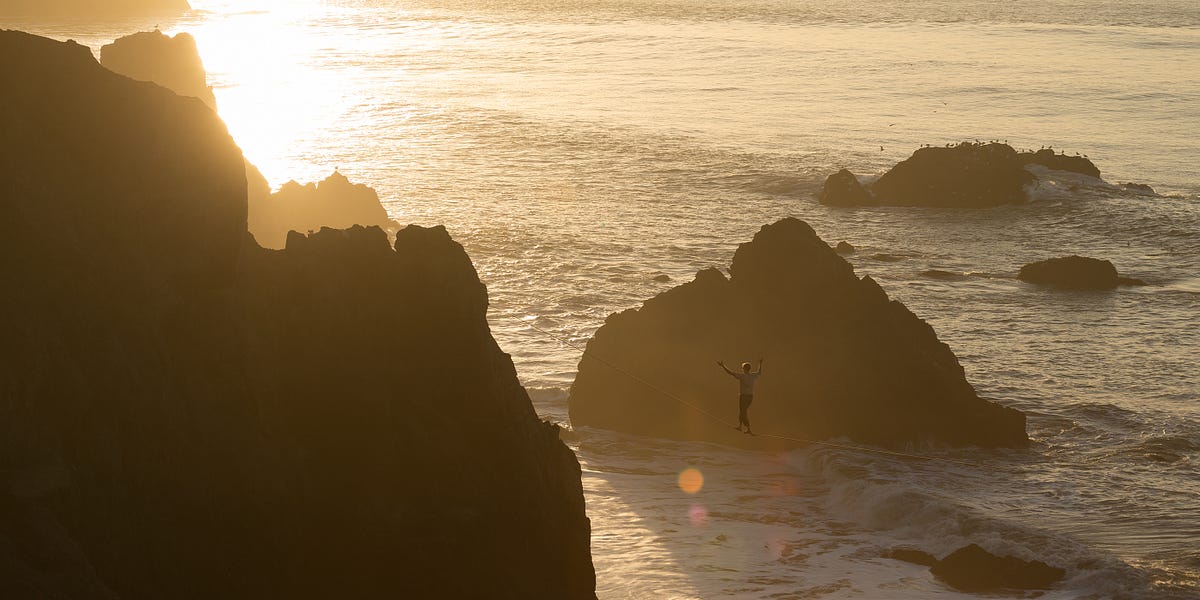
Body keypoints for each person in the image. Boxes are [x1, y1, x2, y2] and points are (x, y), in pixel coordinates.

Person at [717, 358, 762, 435]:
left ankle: (748, 428)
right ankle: (741, 426)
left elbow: (730, 373)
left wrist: (723, 366)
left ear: (744, 369)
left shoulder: (742, 376)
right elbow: (759, 372)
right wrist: (760, 364)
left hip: (744, 396)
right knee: (742, 411)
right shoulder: (753, 376)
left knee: (743, 411)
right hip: (750, 397)